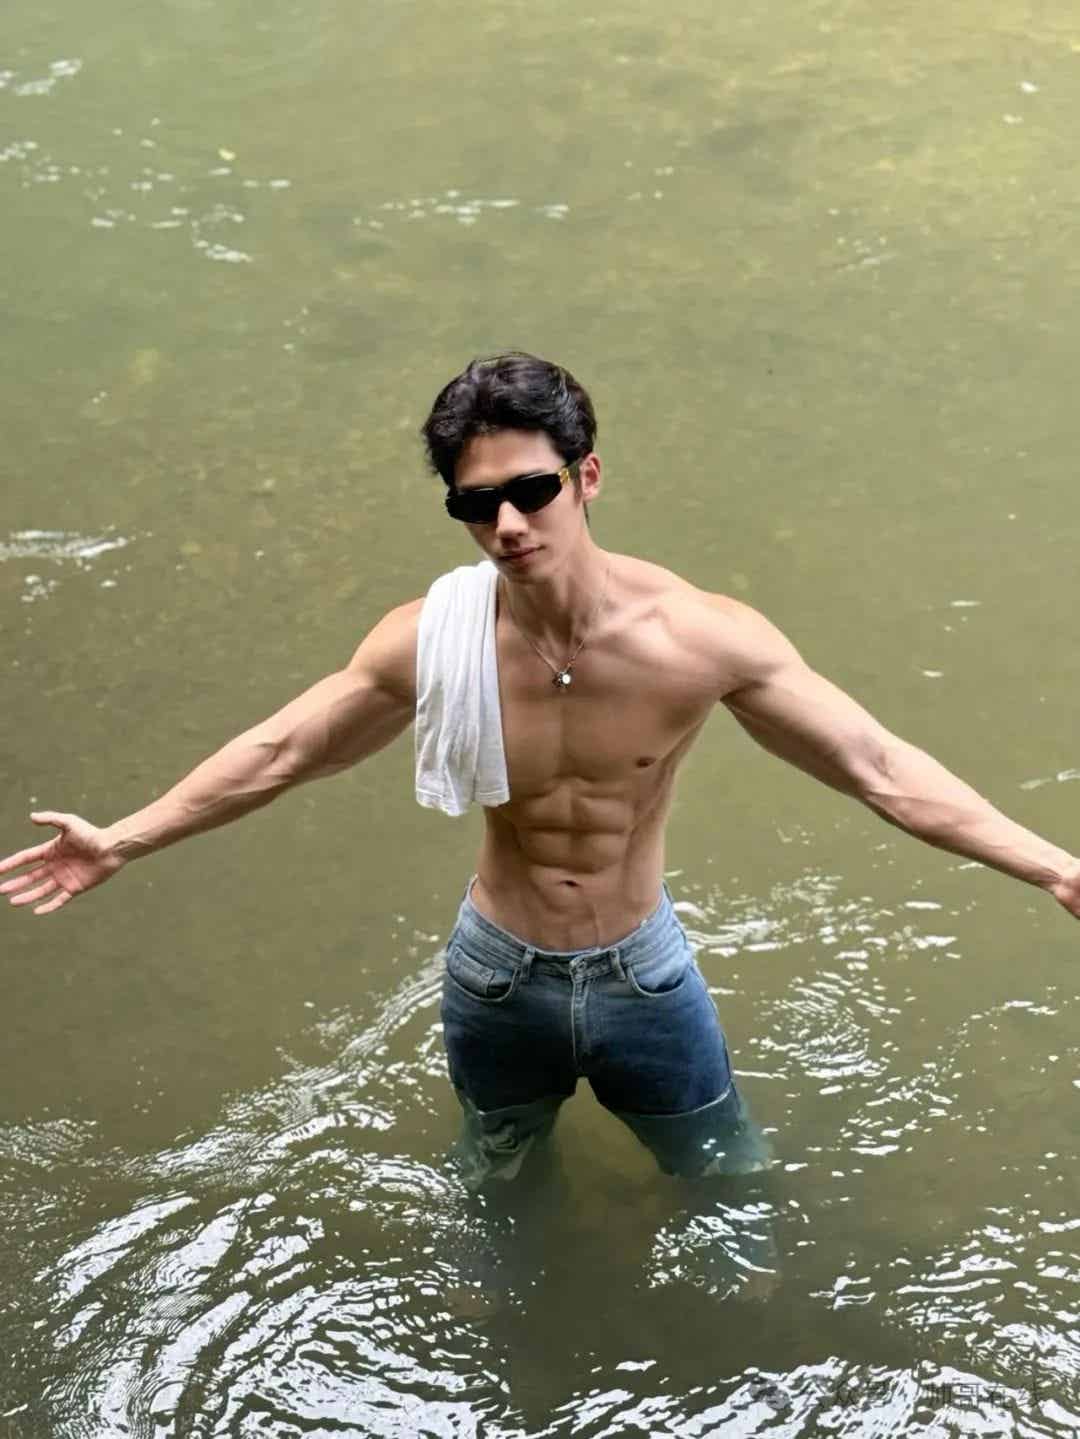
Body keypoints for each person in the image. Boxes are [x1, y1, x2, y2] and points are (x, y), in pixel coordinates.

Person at [3, 351, 1078, 1187]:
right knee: (497, 1179)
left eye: (531, 489)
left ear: (587, 475)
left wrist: (1056, 867)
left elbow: (878, 765)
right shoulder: (433, 639)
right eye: (477, 503)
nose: (508, 524)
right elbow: (285, 749)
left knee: (728, 1185)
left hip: (643, 973)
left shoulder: (698, 639)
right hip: (494, 975)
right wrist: (122, 839)